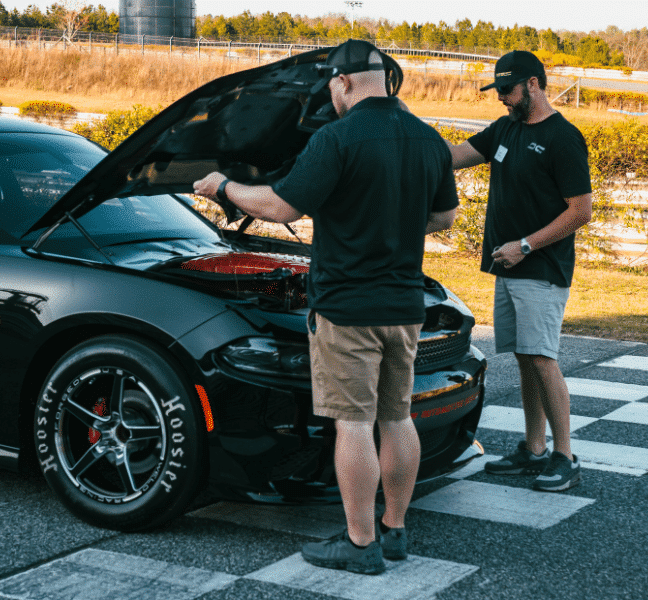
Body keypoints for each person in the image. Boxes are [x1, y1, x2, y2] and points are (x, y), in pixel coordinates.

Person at [193, 39, 458, 575]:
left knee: (353, 425)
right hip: (405, 305)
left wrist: (224, 186)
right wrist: (393, 220)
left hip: (348, 308)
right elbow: (444, 217)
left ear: (342, 82)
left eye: (331, 87)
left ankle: (360, 544)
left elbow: (280, 206)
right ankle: (394, 531)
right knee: (396, 416)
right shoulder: (428, 138)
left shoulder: (337, 138)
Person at [445, 50, 592, 492]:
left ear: (532, 84)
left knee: (542, 359)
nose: (501, 97)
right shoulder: (504, 128)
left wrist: (526, 245)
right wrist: (407, 136)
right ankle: (533, 449)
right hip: (507, 265)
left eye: (507, 89)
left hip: (540, 266)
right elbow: (453, 156)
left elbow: (580, 211)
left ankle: (565, 456)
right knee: (526, 359)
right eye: (498, 90)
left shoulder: (564, 138)